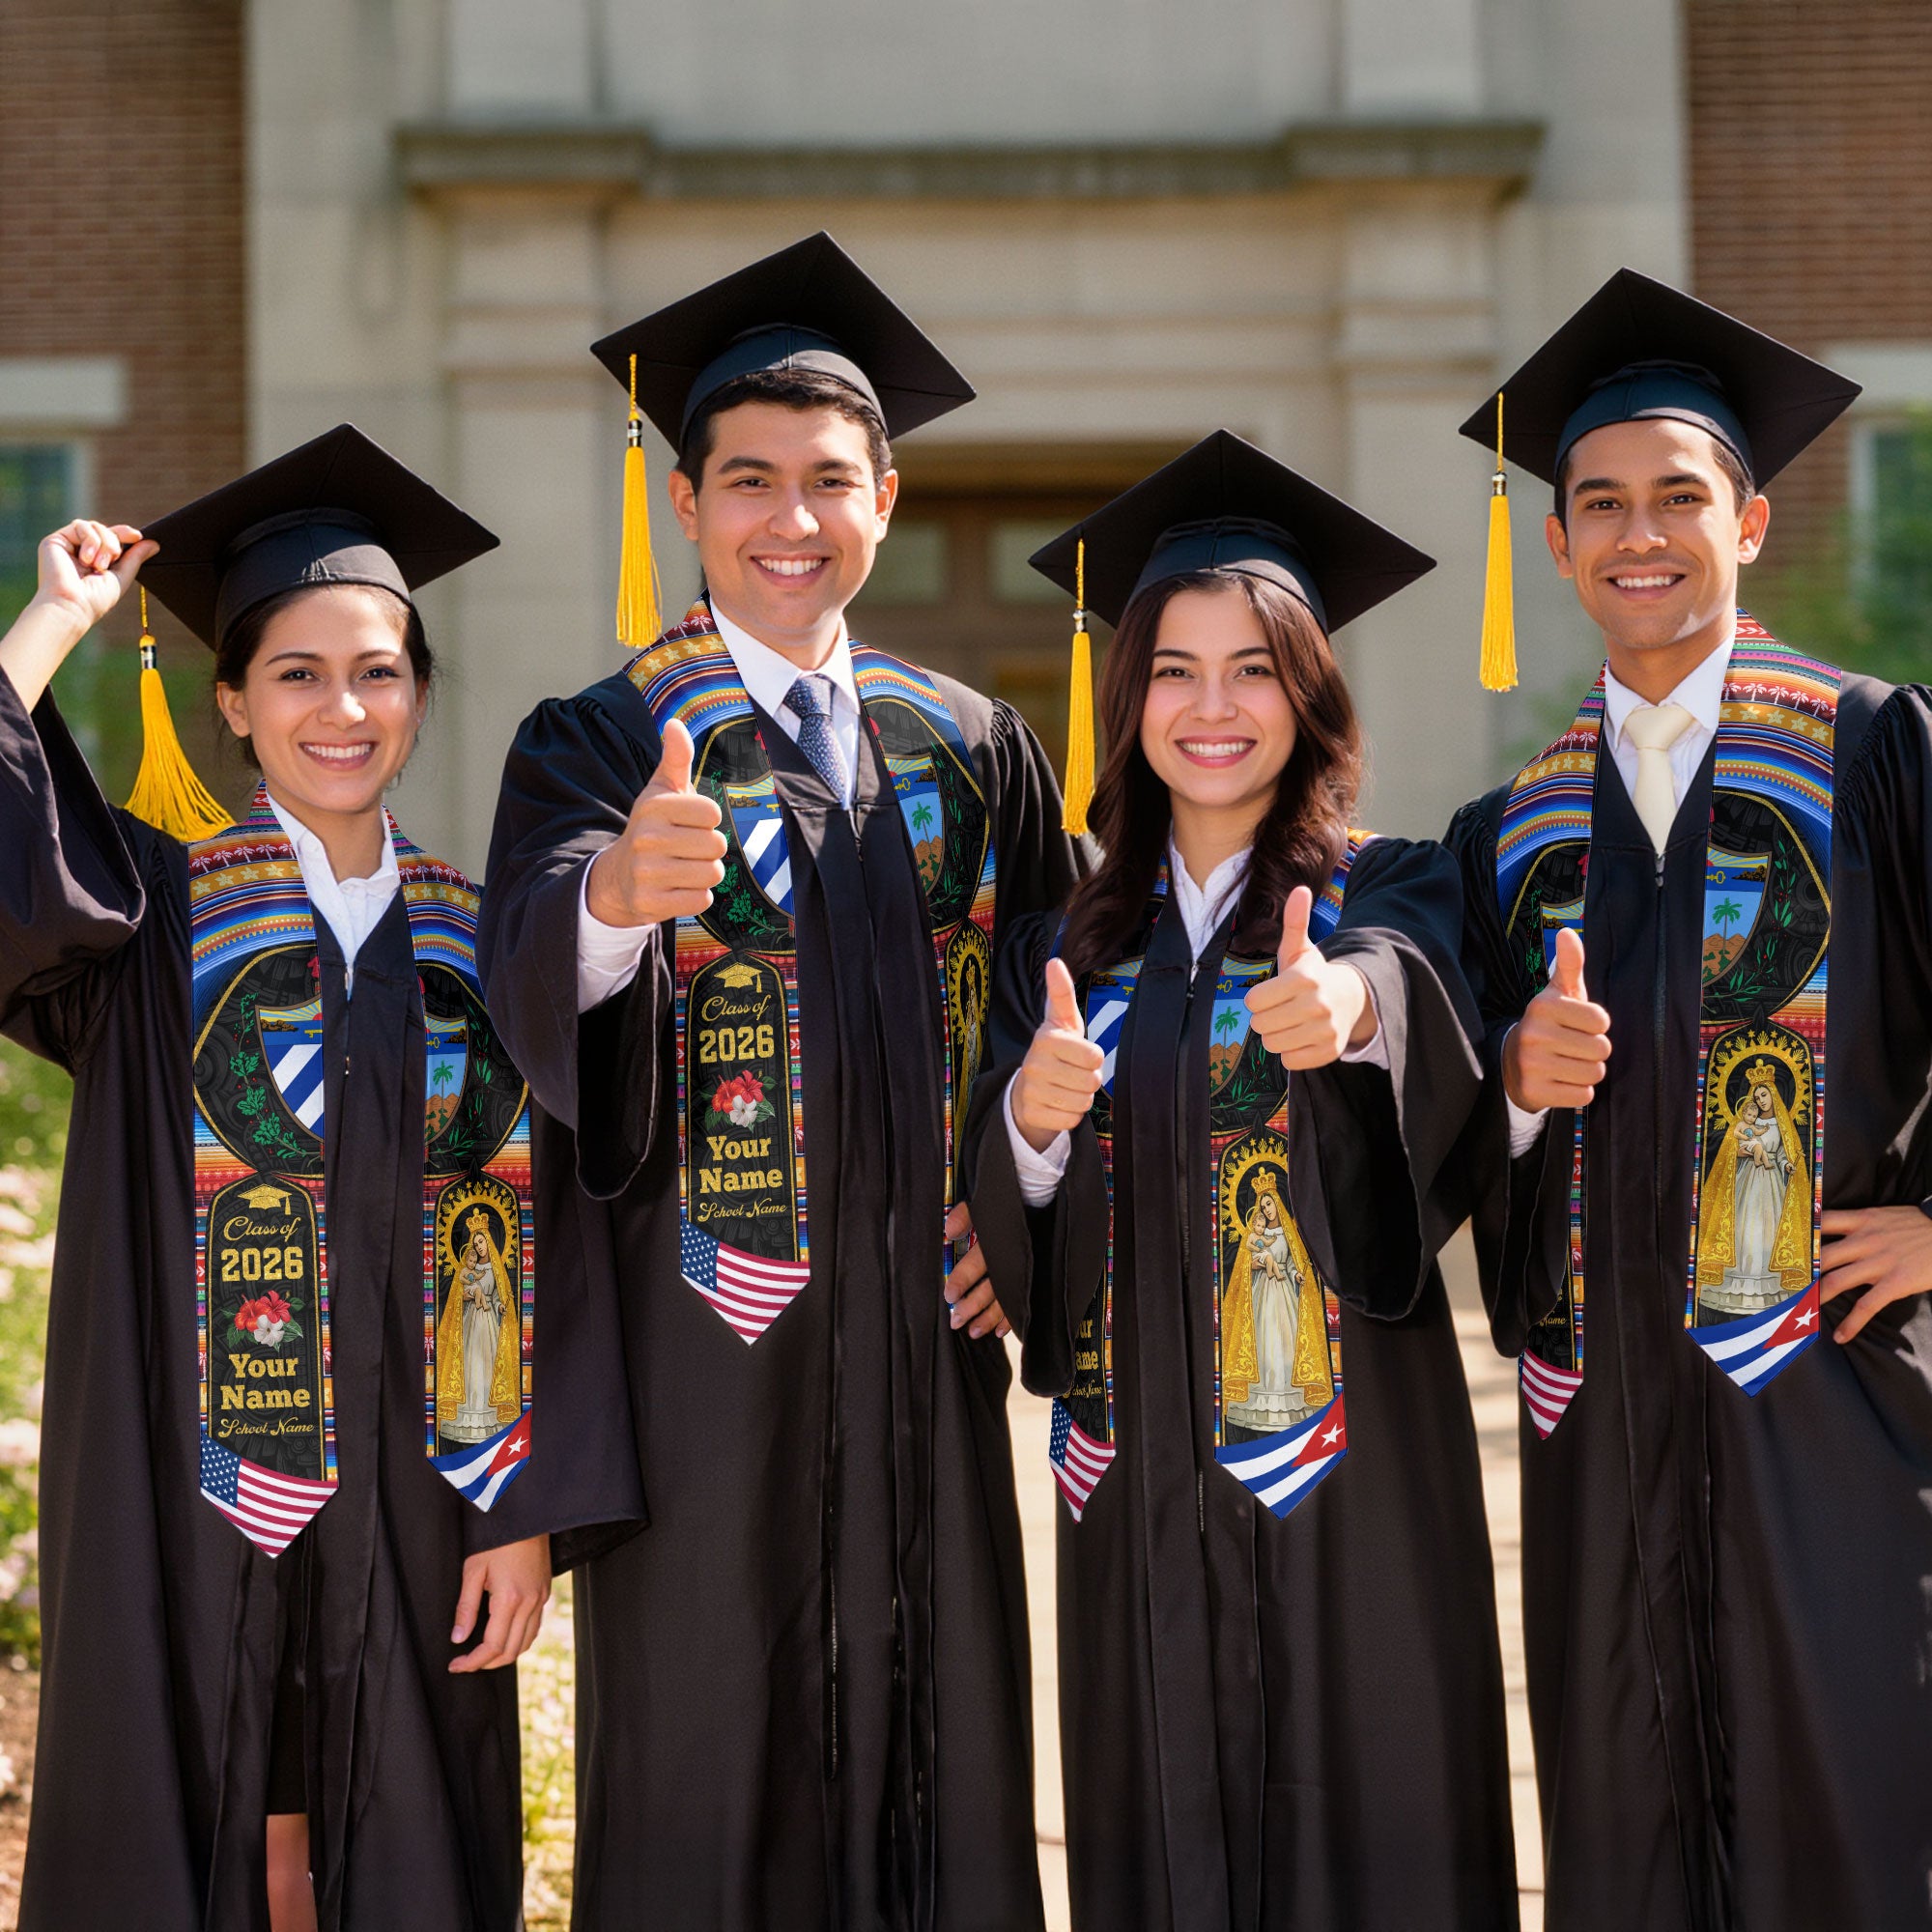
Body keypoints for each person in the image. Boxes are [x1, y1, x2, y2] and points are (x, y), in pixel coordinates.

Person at [480, 233, 1083, 1930]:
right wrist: (612, 899)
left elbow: (1072, 1000)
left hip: (923, 1350)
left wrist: (1020, 1204)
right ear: (687, 504)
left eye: (831, 481)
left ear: (886, 496)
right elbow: (530, 965)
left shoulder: (971, 742)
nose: (791, 520)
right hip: (707, 1352)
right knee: (709, 1756)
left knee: (941, 1744)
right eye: (749, 481)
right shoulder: (600, 737)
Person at [0, 425, 639, 1932]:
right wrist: (50, 625)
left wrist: (527, 1510)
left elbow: (564, 1237)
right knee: (196, 1809)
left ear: (418, 695)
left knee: (406, 1835)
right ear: (230, 701)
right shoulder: (150, 920)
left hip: (430, 1492)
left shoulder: (488, 946)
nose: (340, 708)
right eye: (295, 673)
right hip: (185, 1480)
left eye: (377, 671)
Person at [964, 432, 1518, 1930]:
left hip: (1352, 1476)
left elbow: (1417, 999)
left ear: (1311, 693)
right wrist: (1028, 1116)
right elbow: (1008, 1204)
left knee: (1376, 1829)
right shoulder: (1061, 949)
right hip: (1136, 1479)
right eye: (1175, 670)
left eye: (1256, 668)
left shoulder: (1393, 885)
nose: (1214, 709)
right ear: (1127, 696)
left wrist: (1350, 1015)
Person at [1447, 270, 1932, 1931]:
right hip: (1605, 1424)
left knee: (1855, 1804)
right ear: (1562, 542)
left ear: (1752, 520)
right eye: (1599, 505)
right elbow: (1450, 1136)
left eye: (1677, 498)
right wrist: (1511, 1091)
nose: (1637, 534)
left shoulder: (1872, 750)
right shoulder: (1511, 834)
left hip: (1832, 1398)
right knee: (1625, 1818)